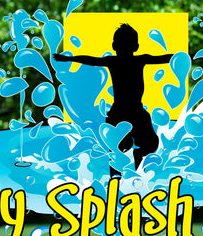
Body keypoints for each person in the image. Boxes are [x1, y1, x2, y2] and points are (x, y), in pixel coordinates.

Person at [55, 23, 173, 170]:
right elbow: (165, 58)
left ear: (114, 46)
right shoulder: (137, 60)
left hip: (123, 113)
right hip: (131, 112)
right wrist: (188, 57)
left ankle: (122, 171)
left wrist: (69, 59)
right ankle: (130, 164)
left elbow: (91, 60)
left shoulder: (117, 61)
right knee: (134, 146)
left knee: (121, 149)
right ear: (135, 46)